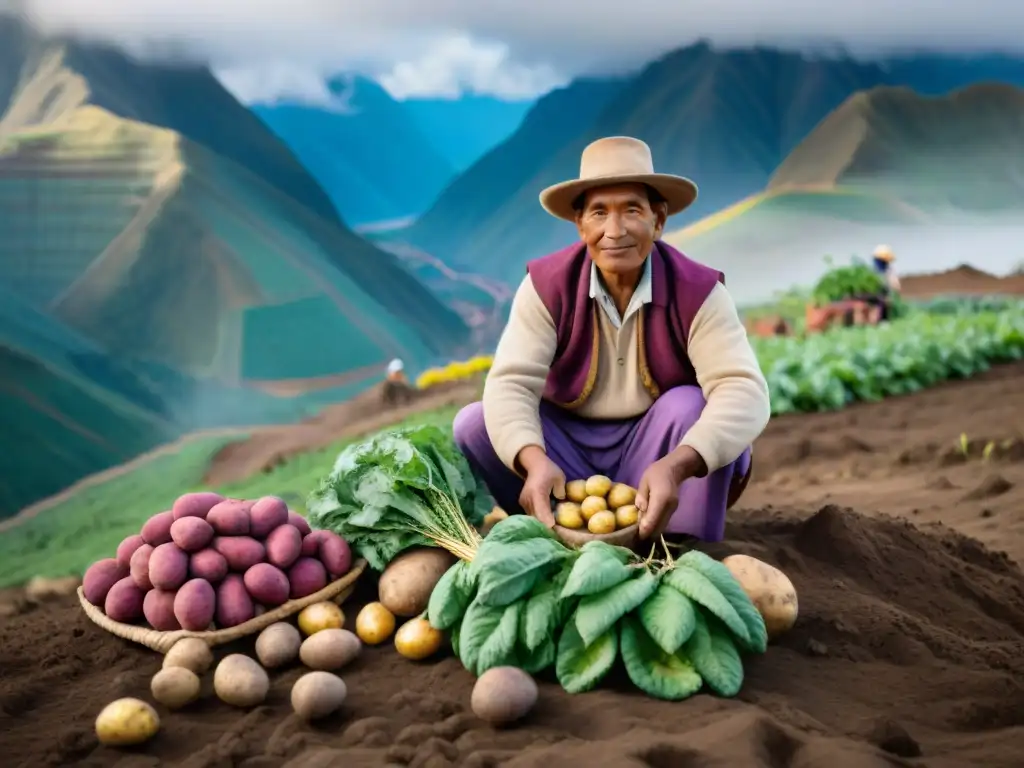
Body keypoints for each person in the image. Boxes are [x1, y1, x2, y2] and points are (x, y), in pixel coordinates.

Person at [452, 136, 771, 542]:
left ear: (658, 221)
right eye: (599, 213)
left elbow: (743, 390)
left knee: (690, 405)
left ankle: (684, 545)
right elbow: (511, 383)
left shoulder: (700, 292)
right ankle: (556, 532)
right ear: (580, 224)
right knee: (475, 423)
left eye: (632, 211)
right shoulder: (545, 287)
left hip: (658, 451)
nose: (614, 231)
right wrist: (533, 461)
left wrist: (677, 464)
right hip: (566, 459)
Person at [870, 244, 901, 321]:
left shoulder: (887, 269)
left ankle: (883, 320)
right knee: (881, 303)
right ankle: (882, 320)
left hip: (883, 291)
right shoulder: (874, 270)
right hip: (878, 292)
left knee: (884, 303)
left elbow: (895, 284)